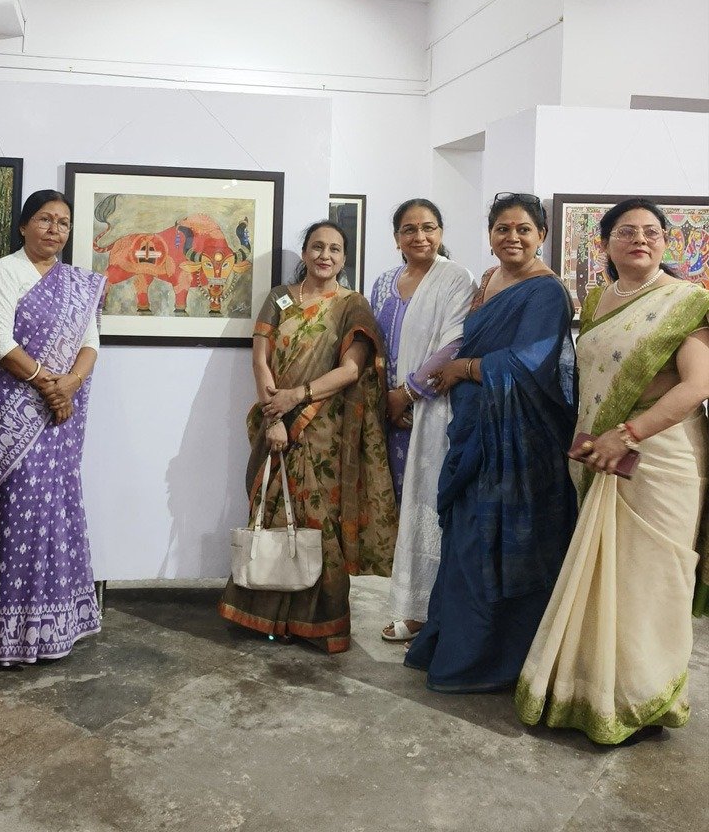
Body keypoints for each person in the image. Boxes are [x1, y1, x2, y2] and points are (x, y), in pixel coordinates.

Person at [517, 199, 709, 744]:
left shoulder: (688, 302)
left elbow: (697, 386)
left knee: (651, 581)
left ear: (666, 241)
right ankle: (590, 692)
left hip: (661, 457)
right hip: (601, 455)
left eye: (651, 231)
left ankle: (643, 697)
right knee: (606, 575)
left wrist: (626, 434)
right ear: (604, 244)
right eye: (627, 231)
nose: (640, 239)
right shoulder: (599, 299)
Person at [404, 193, 578, 691]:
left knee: (500, 541)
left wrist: (463, 368)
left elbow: (530, 362)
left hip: (521, 441)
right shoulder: (489, 279)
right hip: (476, 428)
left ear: (542, 235)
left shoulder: (547, 292)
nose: (512, 237)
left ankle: (495, 659)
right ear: (490, 235)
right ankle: (456, 646)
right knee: (465, 537)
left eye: (523, 229)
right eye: (502, 228)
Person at [219, 220, 398, 653]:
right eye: (317, 247)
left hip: (325, 432)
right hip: (276, 423)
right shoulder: (279, 297)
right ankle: (268, 618)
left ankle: (320, 623)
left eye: (335, 249)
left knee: (320, 524)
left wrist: (297, 397)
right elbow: (260, 362)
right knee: (273, 515)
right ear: (304, 253)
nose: (325, 256)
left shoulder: (352, 305)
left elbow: (352, 370)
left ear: (344, 258)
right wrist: (273, 417)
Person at [0, 190, 105, 663]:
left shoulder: (77, 283)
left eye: (63, 222)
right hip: (12, 410)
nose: (54, 229)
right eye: (44, 219)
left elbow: (90, 342)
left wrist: (70, 385)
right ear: (24, 226)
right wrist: (48, 385)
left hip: (59, 413)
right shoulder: (5, 270)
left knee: (54, 508)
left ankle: (54, 625)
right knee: (8, 512)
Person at [370, 200, 476, 644]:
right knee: (401, 504)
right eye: (409, 229)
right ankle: (409, 605)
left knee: (429, 506)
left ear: (441, 232)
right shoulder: (383, 282)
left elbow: (456, 342)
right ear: (396, 236)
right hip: (388, 414)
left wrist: (408, 393)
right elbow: (375, 342)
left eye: (429, 227)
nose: (420, 237)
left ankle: (427, 611)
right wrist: (383, 399)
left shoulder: (456, 278)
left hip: (432, 408)